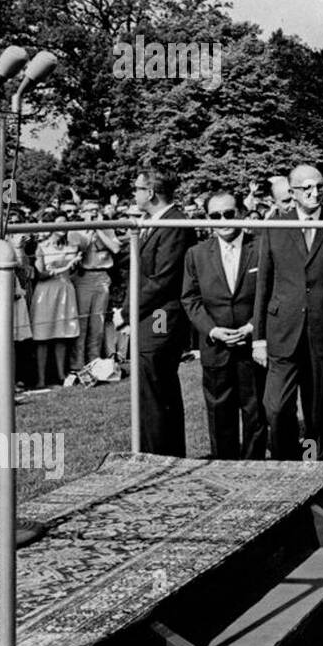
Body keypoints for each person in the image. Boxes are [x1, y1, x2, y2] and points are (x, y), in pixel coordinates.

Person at [252, 164, 323, 461]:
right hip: (283, 330)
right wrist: (259, 337)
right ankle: (287, 461)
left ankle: (316, 465)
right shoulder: (276, 226)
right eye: (307, 188)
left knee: (319, 408)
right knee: (276, 406)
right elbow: (264, 283)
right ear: (292, 193)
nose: (315, 193)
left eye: (320, 186)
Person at [180, 191, 265, 459]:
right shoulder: (196, 254)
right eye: (215, 215)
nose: (223, 220)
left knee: (256, 412)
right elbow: (190, 299)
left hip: (253, 345)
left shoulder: (261, 247)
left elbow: (273, 293)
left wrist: (253, 327)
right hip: (215, 347)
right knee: (219, 413)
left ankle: (255, 468)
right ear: (207, 219)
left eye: (229, 213)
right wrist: (213, 330)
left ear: (241, 213)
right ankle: (225, 467)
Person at [132, 172, 194, 455]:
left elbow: (162, 279)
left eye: (138, 189)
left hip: (160, 317)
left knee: (156, 387)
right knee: (154, 389)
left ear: (152, 192)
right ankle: (159, 450)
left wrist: (127, 310)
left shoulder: (174, 224)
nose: (134, 194)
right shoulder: (154, 223)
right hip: (150, 314)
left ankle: (160, 454)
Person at [67, 199, 121, 373]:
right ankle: (77, 364)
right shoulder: (76, 231)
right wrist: (89, 231)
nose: (93, 213)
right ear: (82, 213)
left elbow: (116, 248)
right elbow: (78, 253)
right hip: (84, 276)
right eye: (89, 210)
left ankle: (94, 360)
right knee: (82, 323)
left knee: (98, 322)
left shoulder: (107, 228)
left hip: (102, 275)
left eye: (96, 210)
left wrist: (99, 228)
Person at [29, 216, 82, 388]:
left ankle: (61, 375)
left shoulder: (72, 246)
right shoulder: (41, 247)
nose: (63, 228)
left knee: (62, 334)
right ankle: (41, 379)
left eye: (66, 224)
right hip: (46, 291)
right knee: (42, 336)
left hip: (65, 289)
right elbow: (41, 274)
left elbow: (76, 269)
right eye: (59, 224)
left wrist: (73, 266)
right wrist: (65, 267)